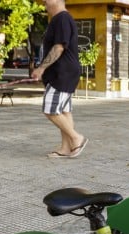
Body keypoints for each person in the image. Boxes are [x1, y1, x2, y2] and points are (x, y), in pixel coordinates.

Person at [30, 0, 88, 158]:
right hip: (64, 72)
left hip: (62, 73)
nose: (44, 4)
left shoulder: (62, 18)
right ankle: (66, 148)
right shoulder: (59, 19)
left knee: (50, 108)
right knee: (64, 110)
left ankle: (77, 138)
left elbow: (59, 47)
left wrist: (41, 68)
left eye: (46, 1)